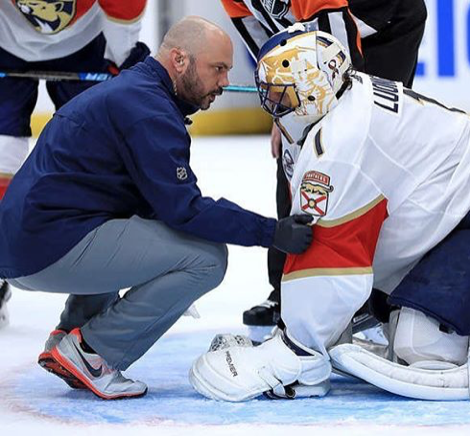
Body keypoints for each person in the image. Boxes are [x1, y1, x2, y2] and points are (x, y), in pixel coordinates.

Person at [189, 26, 470, 402]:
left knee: (423, 343)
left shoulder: (340, 143)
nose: (273, 108)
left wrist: (297, 349)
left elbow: (331, 258)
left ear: (313, 89)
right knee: (400, 319)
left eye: (281, 95)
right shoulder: (340, 103)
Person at [0, 17, 313, 400]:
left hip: (29, 242)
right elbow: (186, 211)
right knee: (205, 259)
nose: (225, 83)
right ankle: (93, 352)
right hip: (45, 247)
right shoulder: (148, 109)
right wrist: (273, 233)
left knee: (129, 223)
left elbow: (150, 207)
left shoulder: (133, 92)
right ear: (180, 60)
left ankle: (72, 333)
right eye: (218, 69)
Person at [220, 0, 427, 331]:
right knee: (295, 150)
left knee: (359, 152)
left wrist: (328, 114)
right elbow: (270, 48)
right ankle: (285, 288)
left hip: (386, 24)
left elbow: (340, 59)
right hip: (321, 33)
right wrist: (283, 110)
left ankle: (370, 292)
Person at [0, 0, 151, 328]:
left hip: (86, 41)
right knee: (1, 154)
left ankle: (97, 289)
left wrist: (126, 59)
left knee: (98, 159)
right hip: (4, 39)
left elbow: (125, 12)